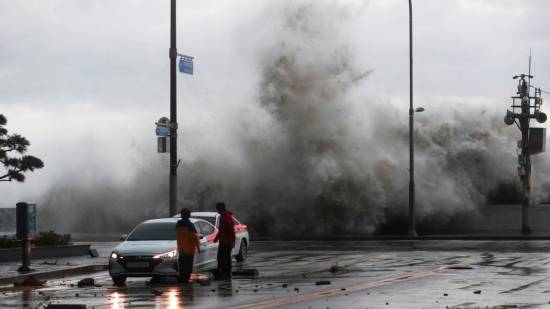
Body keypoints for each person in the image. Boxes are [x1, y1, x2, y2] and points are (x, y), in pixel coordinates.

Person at [176, 208, 200, 284]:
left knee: (182, 266)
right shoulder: (190, 225)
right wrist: (198, 248)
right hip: (189, 249)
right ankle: (186, 280)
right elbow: (195, 237)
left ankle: (181, 279)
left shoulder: (178, 225)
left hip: (181, 249)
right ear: (188, 215)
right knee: (188, 266)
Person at [213, 202, 236, 280]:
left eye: (217, 209)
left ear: (220, 208)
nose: (216, 210)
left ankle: (226, 274)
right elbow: (221, 230)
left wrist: (232, 241)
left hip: (227, 243)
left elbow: (231, 231)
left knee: (224, 259)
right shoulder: (223, 216)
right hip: (223, 242)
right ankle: (224, 274)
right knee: (222, 258)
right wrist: (216, 238)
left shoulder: (227, 217)